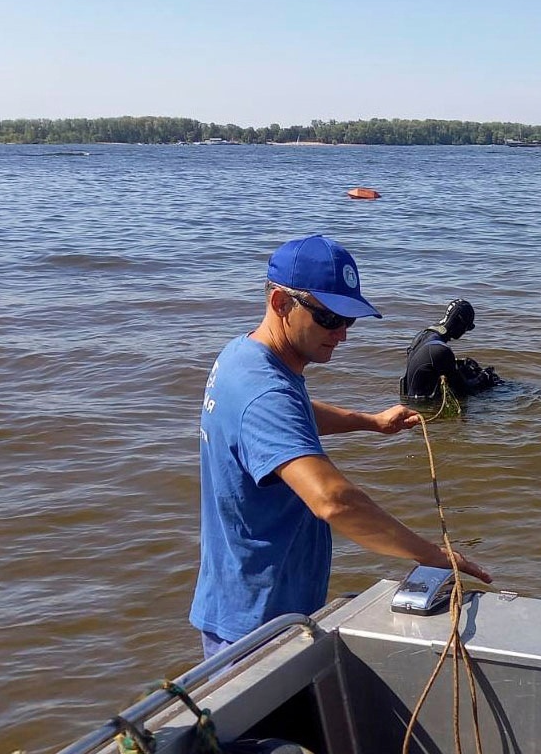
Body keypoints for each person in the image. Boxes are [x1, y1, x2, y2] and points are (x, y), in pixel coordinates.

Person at [190, 234, 492, 659]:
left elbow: (291, 413)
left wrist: (369, 422)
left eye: (349, 320)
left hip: (248, 604)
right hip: (256, 625)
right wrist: (433, 557)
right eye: (330, 318)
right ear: (280, 302)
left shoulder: (244, 358)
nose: (342, 335)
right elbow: (332, 501)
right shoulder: (265, 393)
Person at [400, 299, 501, 399]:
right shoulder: (441, 350)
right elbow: (464, 390)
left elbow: (429, 366)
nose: (465, 332)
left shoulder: (422, 336)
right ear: (461, 324)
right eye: (466, 328)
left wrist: (460, 364)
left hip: (409, 398)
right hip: (423, 406)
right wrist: (483, 377)